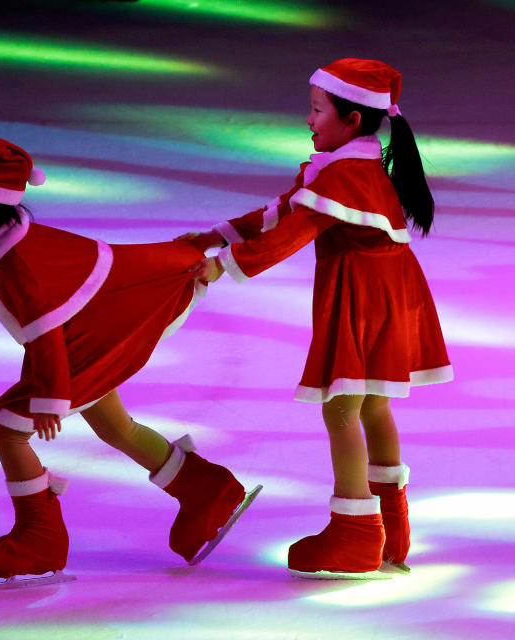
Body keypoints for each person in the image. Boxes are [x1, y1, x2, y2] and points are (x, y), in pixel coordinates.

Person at [0, 135, 260, 587]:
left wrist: (52, 398)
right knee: (116, 427)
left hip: (85, 340)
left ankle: (40, 537)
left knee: (10, 429)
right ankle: (206, 489)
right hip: (87, 335)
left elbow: (46, 332)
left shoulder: (20, 265)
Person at [184, 58, 452, 579]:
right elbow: (282, 211)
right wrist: (214, 237)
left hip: (367, 294)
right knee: (373, 408)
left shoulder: (347, 175)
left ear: (351, 120)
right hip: (389, 290)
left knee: (342, 410)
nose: (308, 120)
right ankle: (391, 531)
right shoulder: (344, 167)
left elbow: (292, 232)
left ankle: (355, 534)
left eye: (316, 109)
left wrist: (221, 265)